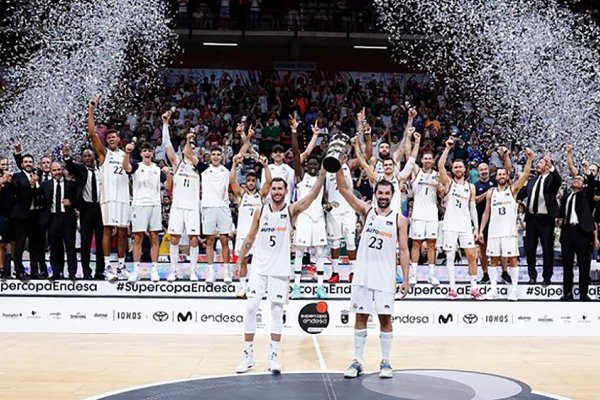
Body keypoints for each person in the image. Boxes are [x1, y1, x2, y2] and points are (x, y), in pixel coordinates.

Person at [234, 169, 326, 375]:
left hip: (280, 268)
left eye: (279, 189)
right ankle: (247, 355)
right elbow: (249, 238)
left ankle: (274, 356)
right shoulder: (260, 210)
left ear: (286, 191)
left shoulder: (291, 211)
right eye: (273, 188)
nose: (276, 192)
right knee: (251, 308)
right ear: (270, 192)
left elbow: (311, 197)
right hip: (258, 265)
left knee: (276, 312)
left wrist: (321, 175)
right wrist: (241, 260)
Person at [335, 167, 410, 379]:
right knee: (360, 317)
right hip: (364, 275)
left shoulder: (399, 219)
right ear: (375, 194)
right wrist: (339, 166)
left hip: (385, 276)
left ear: (392, 195)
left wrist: (405, 279)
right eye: (380, 193)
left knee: (385, 320)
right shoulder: (366, 211)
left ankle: (386, 361)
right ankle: (357, 361)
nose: (383, 196)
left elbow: (404, 251)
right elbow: (342, 189)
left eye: (387, 193)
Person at [479, 148, 533, 300]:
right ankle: (494, 290)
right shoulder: (491, 192)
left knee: (512, 260)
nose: (501, 176)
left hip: (509, 232)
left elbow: (525, 175)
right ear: (496, 177)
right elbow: (486, 213)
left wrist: (529, 159)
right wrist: (481, 230)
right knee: (493, 260)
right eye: (499, 174)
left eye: (504, 174)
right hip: (494, 232)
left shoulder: (513, 189)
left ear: (507, 176)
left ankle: (514, 290)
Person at [88, 95, 130, 281]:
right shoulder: (103, 153)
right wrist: (92, 110)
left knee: (122, 231)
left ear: (119, 139)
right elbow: (91, 133)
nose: (112, 139)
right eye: (109, 137)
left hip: (123, 197)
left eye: (114, 137)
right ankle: (107, 267)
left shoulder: (125, 154)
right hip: (108, 197)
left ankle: (121, 266)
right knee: (107, 230)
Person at [438, 137, 483, 300]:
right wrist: (447, 148)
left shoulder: (470, 187)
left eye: (460, 166)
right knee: (450, 256)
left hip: (465, 226)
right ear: (453, 169)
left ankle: (474, 288)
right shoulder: (449, 183)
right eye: (455, 166)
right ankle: (452, 288)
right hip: (450, 225)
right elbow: (440, 166)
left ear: (464, 169)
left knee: (471, 255)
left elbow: (473, 208)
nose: (457, 168)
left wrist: (476, 228)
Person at [161, 111, 201, 282]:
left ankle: (193, 271)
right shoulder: (177, 163)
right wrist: (165, 124)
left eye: (192, 145)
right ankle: (173, 271)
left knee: (193, 239)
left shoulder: (199, 166)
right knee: (175, 238)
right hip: (178, 206)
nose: (189, 148)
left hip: (192, 207)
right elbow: (167, 144)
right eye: (187, 145)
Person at [123, 142, 171, 282]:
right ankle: (136, 271)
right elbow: (126, 167)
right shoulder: (137, 166)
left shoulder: (158, 168)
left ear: (153, 153)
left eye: (149, 150)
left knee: (154, 237)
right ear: (141, 153)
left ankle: (154, 270)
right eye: (145, 150)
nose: (147, 153)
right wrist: (127, 153)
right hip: (139, 205)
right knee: (137, 238)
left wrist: (168, 175)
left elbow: (168, 187)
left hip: (155, 205)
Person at [230, 151, 271, 297]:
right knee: (243, 261)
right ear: (246, 182)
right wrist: (234, 164)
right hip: (242, 234)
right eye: (249, 181)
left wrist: (266, 167)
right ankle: (243, 287)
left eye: (253, 181)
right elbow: (232, 181)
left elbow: (269, 182)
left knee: (259, 261)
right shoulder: (241, 195)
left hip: (258, 235)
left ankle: (258, 287)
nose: (251, 183)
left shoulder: (261, 195)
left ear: (256, 182)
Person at [559, 145, 597, 301]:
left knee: (584, 265)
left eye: (580, 179)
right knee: (567, 265)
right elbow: (562, 211)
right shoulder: (566, 195)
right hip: (568, 231)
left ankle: (583, 293)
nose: (577, 180)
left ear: (584, 184)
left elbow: (592, 184)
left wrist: (587, 171)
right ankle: (567, 293)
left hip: (582, 232)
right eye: (575, 178)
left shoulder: (586, 195)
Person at [190, 145, 232, 283]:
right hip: (208, 207)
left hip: (223, 208)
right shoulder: (204, 169)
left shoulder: (226, 168)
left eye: (218, 154)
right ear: (210, 156)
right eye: (213, 154)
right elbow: (189, 155)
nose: (215, 156)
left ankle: (226, 272)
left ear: (222, 156)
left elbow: (242, 152)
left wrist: (246, 137)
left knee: (225, 240)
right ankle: (210, 272)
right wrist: (189, 141)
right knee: (210, 240)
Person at [63, 145, 104, 279]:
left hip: (101, 208)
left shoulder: (101, 170)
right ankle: (86, 272)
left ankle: (99, 271)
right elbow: (70, 165)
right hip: (86, 208)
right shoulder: (81, 170)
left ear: (94, 157)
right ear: (82, 158)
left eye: (89, 155)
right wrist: (67, 156)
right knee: (85, 242)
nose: (87, 158)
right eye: (85, 156)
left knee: (101, 242)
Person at [474, 147, 512, 285]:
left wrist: (505, 155)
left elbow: (508, 171)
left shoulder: (496, 181)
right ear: (478, 172)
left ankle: (505, 272)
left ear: (489, 171)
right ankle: (485, 274)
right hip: (481, 219)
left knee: (501, 248)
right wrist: (487, 193)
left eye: (485, 169)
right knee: (483, 250)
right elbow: (475, 200)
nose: (484, 171)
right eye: (481, 170)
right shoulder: (475, 185)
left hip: (497, 219)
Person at [524, 153, 561, 286]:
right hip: (531, 219)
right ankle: (532, 276)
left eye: (540, 163)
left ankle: (547, 277)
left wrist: (552, 166)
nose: (537, 165)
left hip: (546, 219)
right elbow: (523, 193)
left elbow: (558, 180)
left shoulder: (552, 179)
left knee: (547, 249)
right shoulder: (532, 180)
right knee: (530, 249)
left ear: (546, 166)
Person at [39, 162, 77, 280]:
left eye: (59, 169)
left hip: (68, 218)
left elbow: (79, 198)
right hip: (52, 218)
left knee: (70, 247)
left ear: (62, 169)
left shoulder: (71, 183)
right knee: (54, 247)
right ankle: (56, 272)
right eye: (54, 170)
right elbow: (37, 197)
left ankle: (72, 273)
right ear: (50, 171)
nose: (57, 172)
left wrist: (71, 203)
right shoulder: (45, 185)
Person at [10, 153, 46, 280]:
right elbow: (17, 194)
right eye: (25, 162)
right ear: (22, 164)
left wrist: (35, 185)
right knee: (19, 244)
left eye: (30, 161)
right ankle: (19, 271)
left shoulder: (38, 177)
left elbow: (40, 194)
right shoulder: (17, 177)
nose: (28, 164)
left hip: (35, 216)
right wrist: (30, 185)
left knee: (34, 245)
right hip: (21, 216)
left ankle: (34, 271)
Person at [409, 149, 440, 285]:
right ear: (421, 160)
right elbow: (409, 155)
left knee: (431, 245)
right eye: (425, 158)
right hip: (418, 214)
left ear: (433, 161)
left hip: (432, 214)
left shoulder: (437, 175)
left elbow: (443, 191)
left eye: (429, 158)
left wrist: (439, 186)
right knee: (416, 243)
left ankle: (431, 275)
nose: (427, 161)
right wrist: (414, 140)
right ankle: (413, 275)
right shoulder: (416, 171)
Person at [325, 153, 357, 284]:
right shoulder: (327, 172)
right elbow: (325, 192)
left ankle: (353, 273)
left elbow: (366, 155)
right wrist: (325, 203)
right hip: (334, 210)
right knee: (335, 243)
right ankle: (335, 273)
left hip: (348, 209)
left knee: (350, 241)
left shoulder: (347, 166)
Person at [0, 158, 14, 280]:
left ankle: (15, 268)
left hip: (13, 215)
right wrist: (2, 181)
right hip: (1, 216)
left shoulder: (12, 177)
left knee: (14, 242)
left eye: (6, 163)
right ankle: (1, 269)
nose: (5, 166)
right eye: (2, 164)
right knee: (1, 244)